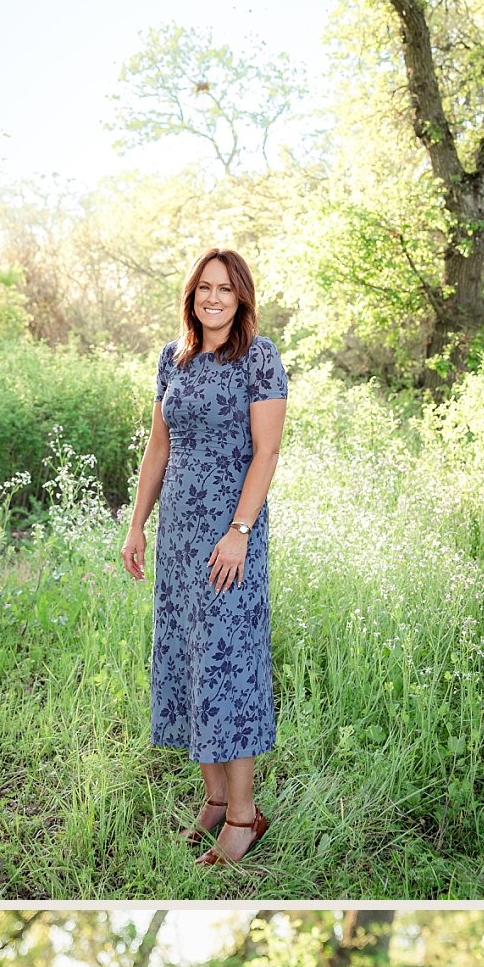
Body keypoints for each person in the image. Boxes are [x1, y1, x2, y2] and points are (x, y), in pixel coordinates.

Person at [123, 249, 288, 868]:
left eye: (225, 289)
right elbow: (158, 449)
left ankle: (246, 817)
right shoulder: (174, 358)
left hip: (230, 537)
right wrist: (138, 525)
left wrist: (240, 530)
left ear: (241, 297)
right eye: (204, 288)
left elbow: (265, 454)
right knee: (190, 658)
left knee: (230, 666)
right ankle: (215, 802)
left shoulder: (259, 358)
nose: (213, 297)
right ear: (191, 295)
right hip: (180, 537)